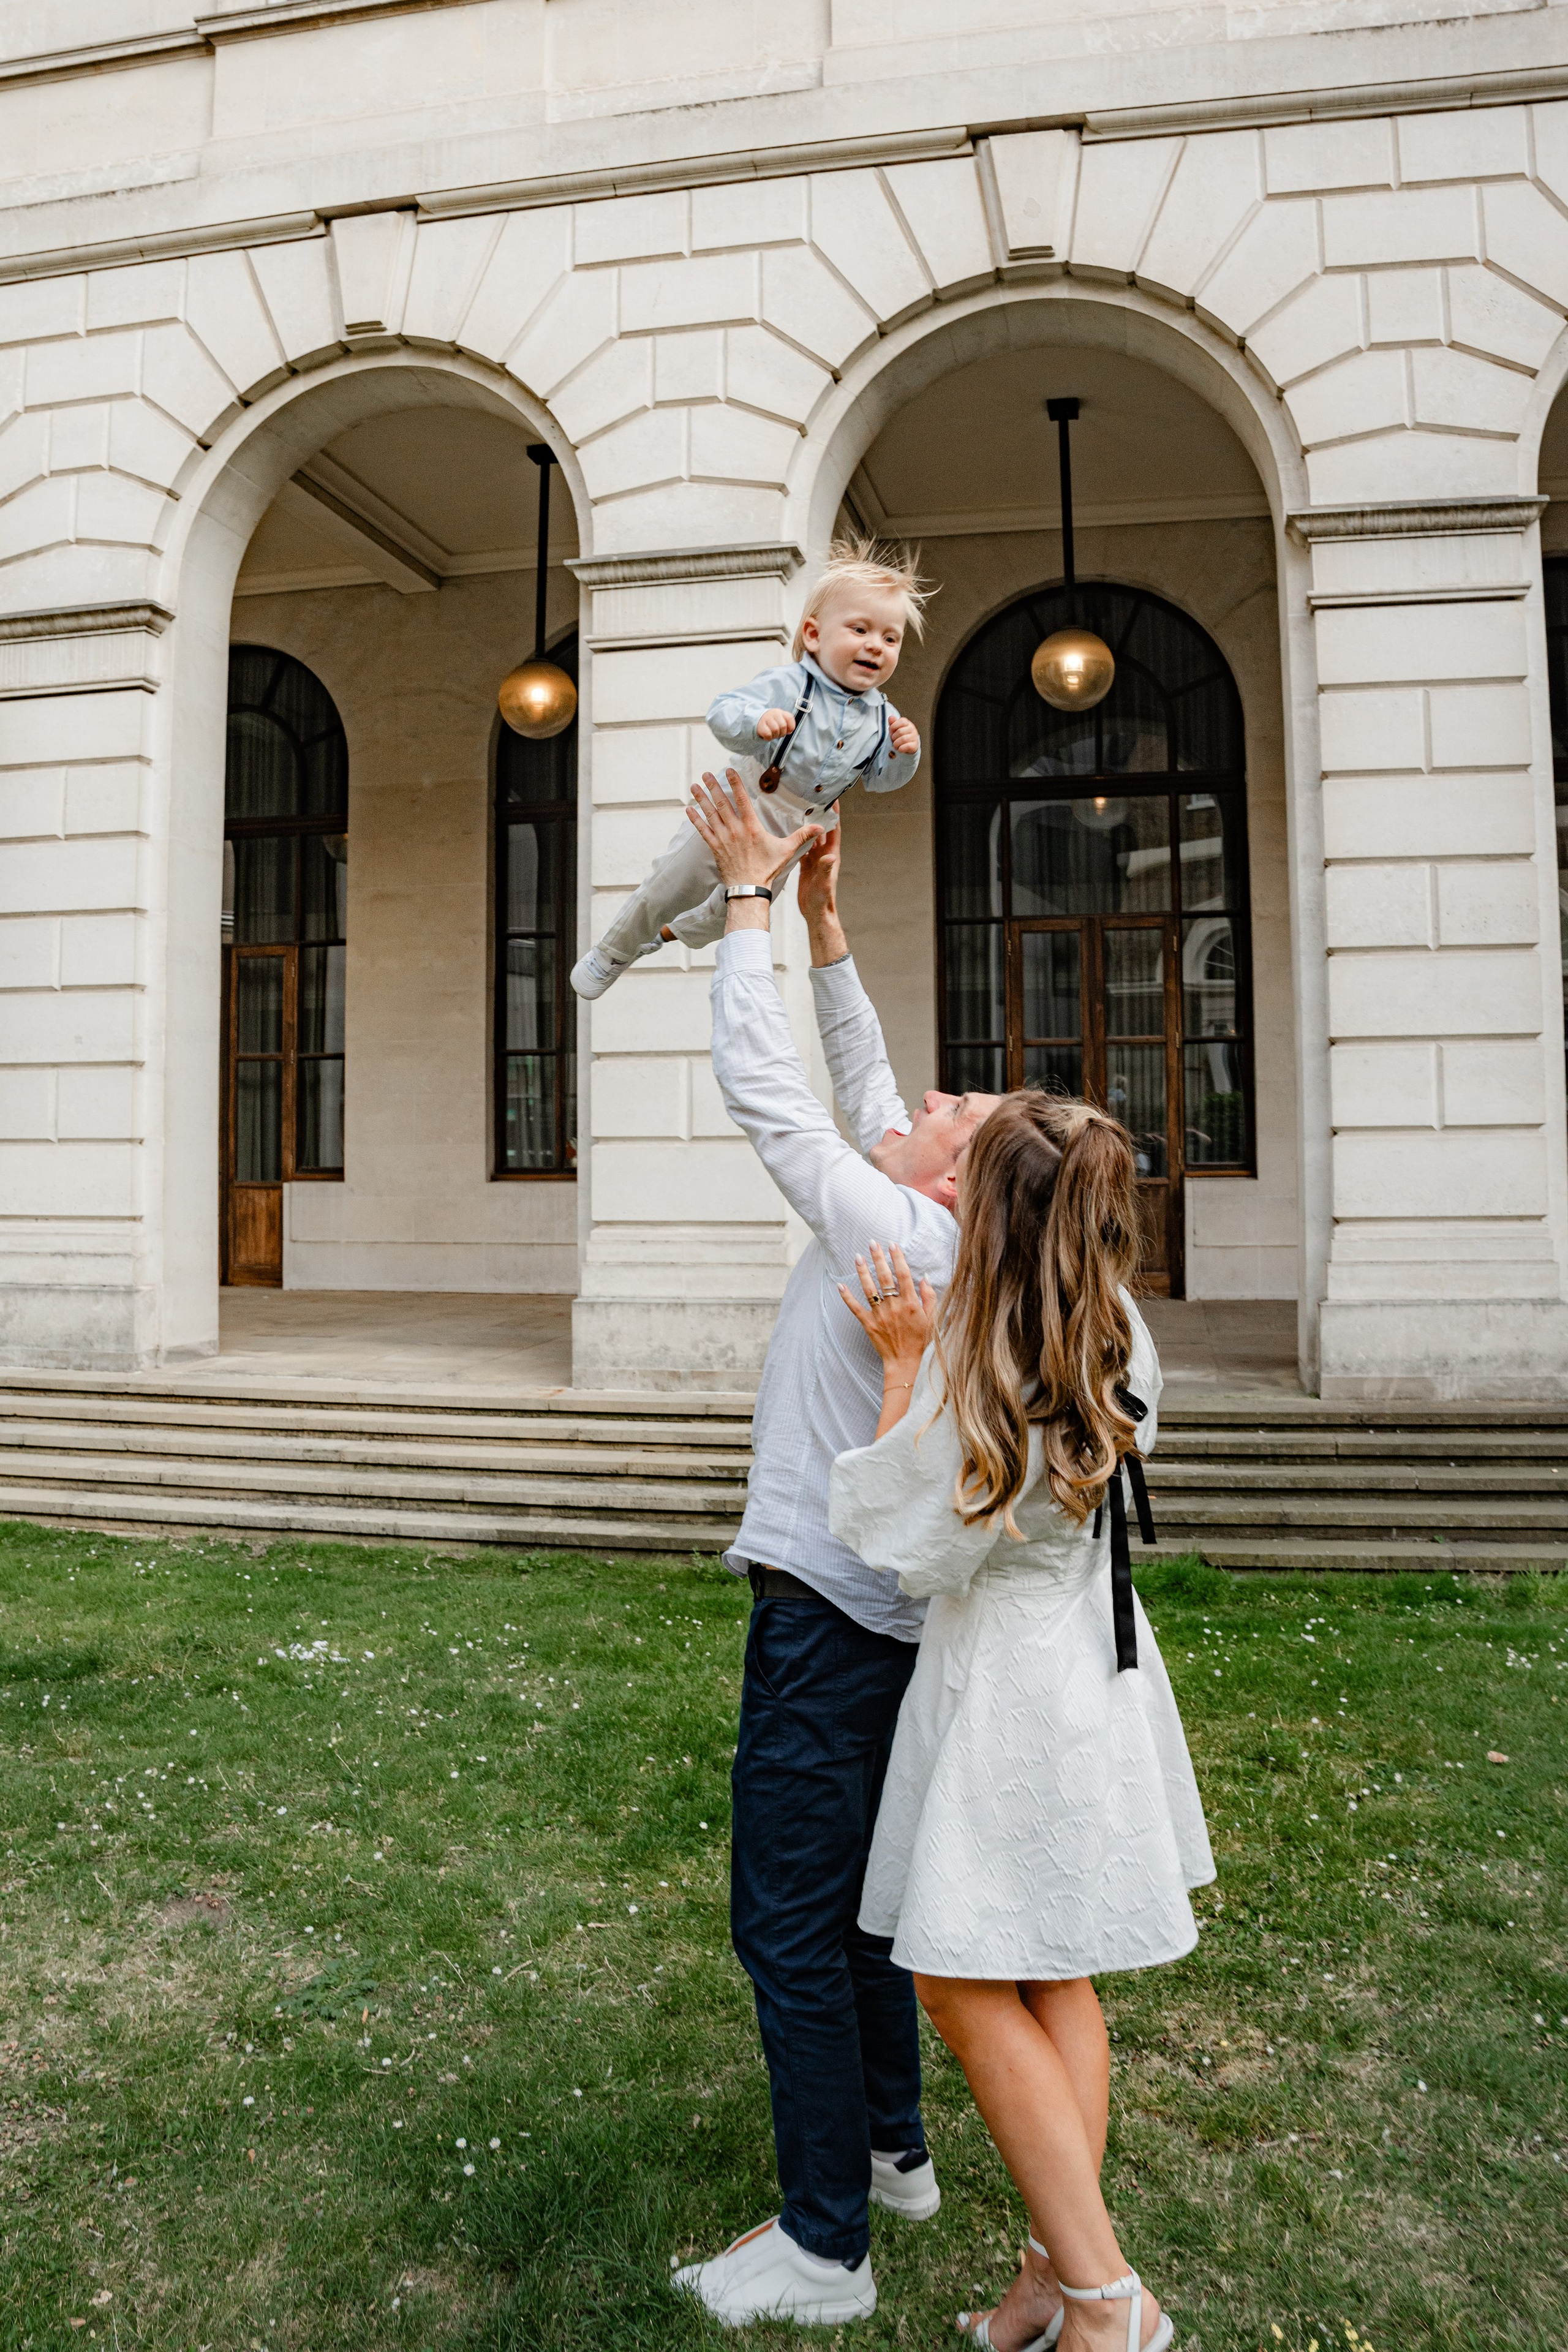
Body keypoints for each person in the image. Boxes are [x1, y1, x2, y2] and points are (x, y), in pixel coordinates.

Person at [669, 769, 1001, 2329]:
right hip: (882, 1610)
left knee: (785, 1921)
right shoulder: (935, 1214)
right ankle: (888, 2148)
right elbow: (862, 1080)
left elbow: (769, 1092)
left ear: (943, 1180)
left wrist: (742, 898)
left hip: (824, 1611)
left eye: (955, 1111)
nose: (929, 1096)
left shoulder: (896, 1225)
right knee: (862, 1902)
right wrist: (822, 925)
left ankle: (821, 2249)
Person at [827, 1098, 1215, 2352]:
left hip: (1004, 1686)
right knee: (1055, 1967)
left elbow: (903, 1548)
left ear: (985, 1216)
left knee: (952, 1972)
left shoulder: (978, 1368)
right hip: (1095, 1674)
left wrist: (897, 1365)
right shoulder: (1115, 1331)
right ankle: (1051, 2278)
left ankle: (1109, 2303)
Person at [570, 537, 925, 998]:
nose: (876, 646)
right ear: (815, 636)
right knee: (672, 884)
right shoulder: (789, 682)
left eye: (890, 638)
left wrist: (904, 754)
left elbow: (881, 780)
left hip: (801, 824)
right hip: (747, 801)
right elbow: (723, 711)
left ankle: (659, 937)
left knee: (738, 909)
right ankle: (612, 951)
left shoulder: (883, 716)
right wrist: (756, 723)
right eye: (860, 630)